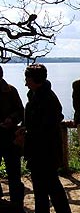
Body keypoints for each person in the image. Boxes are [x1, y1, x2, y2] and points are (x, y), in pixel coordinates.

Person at [18, 64, 72, 213]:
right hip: (40, 153)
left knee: (52, 189)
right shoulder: (37, 95)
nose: (25, 83)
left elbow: (44, 129)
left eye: (27, 79)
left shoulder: (46, 99)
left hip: (45, 153)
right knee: (43, 190)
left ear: (36, 79)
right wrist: (25, 128)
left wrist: (27, 134)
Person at [0, 66, 25, 213]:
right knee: (14, 174)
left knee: (14, 175)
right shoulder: (11, 90)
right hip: (10, 139)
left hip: (10, 139)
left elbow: (20, 112)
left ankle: (16, 205)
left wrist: (11, 119)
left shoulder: (11, 91)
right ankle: (15, 204)